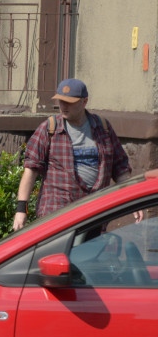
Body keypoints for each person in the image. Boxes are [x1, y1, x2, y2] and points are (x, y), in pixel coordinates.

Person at [13, 78, 132, 230]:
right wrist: (21, 210)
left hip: (94, 211)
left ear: (84, 102)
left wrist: (133, 199)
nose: (63, 106)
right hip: (57, 212)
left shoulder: (103, 127)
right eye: (60, 101)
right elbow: (30, 170)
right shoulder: (50, 128)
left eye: (69, 102)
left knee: (89, 253)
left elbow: (120, 168)